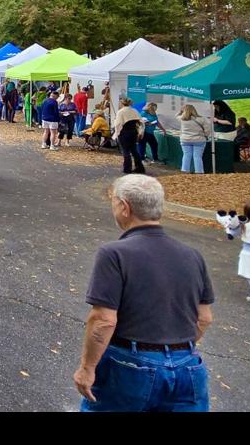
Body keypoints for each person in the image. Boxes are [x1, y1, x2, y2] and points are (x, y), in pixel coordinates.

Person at [74, 174, 214, 412]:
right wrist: (173, 351)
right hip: (187, 366)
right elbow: (204, 318)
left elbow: (104, 320)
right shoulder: (192, 255)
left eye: (114, 203)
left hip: (130, 365)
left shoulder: (114, 254)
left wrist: (87, 368)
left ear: (125, 207)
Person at [115, 97, 146, 174]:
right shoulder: (134, 111)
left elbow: (118, 124)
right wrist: (140, 132)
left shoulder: (121, 112)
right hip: (133, 132)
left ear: (122, 103)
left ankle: (127, 168)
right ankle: (139, 167)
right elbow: (141, 122)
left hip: (124, 132)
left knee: (125, 151)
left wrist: (116, 133)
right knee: (134, 150)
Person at [177, 103, 211, 173]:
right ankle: (199, 171)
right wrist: (206, 135)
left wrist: (180, 111)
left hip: (185, 140)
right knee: (197, 156)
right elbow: (207, 130)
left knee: (186, 155)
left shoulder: (182, 119)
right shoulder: (201, 119)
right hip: (199, 139)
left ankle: (185, 170)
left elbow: (176, 116)